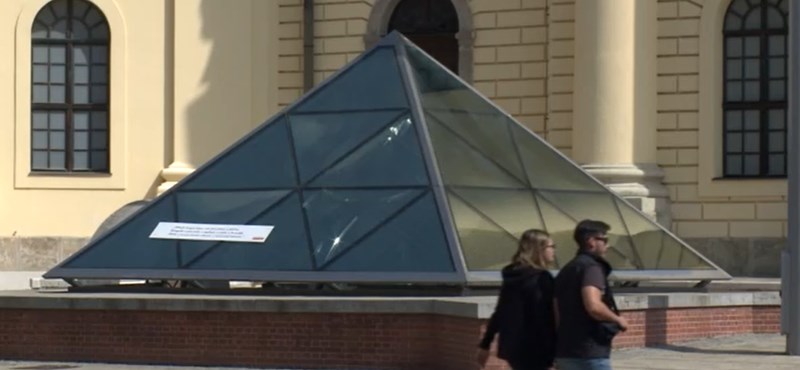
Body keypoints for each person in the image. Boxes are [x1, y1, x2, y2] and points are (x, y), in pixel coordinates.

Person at [476, 229, 558, 370]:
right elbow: (547, 316)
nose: (554, 251)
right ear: (539, 249)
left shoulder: (513, 277)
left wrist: (485, 343)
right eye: (551, 247)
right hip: (539, 347)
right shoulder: (541, 278)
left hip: (514, 346)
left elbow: (500, 312)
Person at [554, 219, 629, 370]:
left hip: (565, 351)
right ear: (591, 241)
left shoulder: (567, 269)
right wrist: (618, 319)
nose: (608, 245)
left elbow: (555, 311)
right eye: (605, 240)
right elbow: (593, 306)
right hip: (590, 351)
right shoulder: (591, 267)